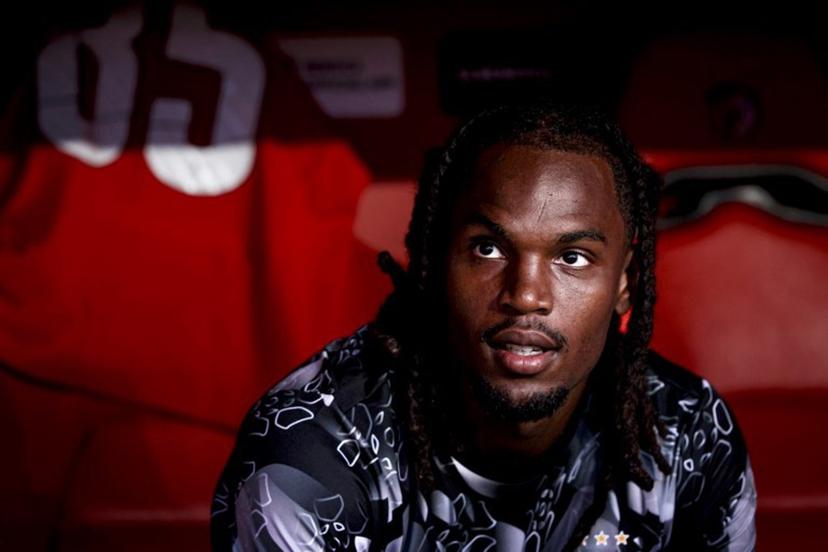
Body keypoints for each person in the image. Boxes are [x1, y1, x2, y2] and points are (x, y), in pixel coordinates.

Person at [211, 103, 757, 551]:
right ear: (434, 264)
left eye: (572, 258)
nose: (525, 296)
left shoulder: (689, 437)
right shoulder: (312, 455)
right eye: (488, 248)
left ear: (624, 285)